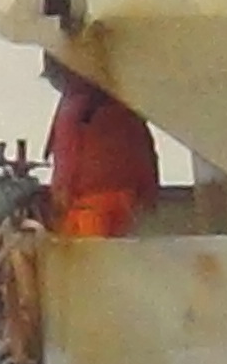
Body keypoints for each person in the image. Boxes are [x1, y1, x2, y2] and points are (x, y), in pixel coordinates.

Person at [42, 56, 160, 240]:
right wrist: (149, 192)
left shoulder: (75, 104)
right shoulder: (124, 103)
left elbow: (68, 155)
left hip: (90, 206)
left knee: (85, 263)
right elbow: (146, 150)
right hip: (128, 201)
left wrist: (59, 194)